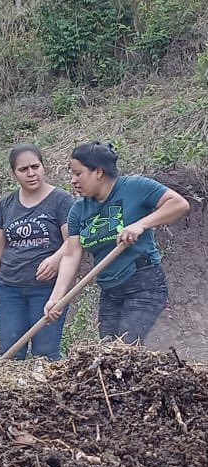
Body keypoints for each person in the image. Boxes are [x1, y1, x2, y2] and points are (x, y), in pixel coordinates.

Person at [46, 141, 189, 344]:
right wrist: (56, 298)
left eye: (78, 174)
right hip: (110, 289)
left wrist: (141, 225)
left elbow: (179, 204)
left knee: (124, 348)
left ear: (98, 171)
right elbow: (71, 255)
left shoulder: (135, 187)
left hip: (143, 283)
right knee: (107, 354)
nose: (73, 180)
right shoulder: (78, 210)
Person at [0, 144, 74, 360]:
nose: (31, 173)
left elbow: (73, 241)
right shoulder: (6, 204)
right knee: (11, 353)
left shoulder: (61, 200)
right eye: (23, 169)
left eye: (35, 166)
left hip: (47, 289)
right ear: (14, 173)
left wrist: (56, 258)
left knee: (45, 352)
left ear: (44, 167)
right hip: (9, 289)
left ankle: (50, 393)